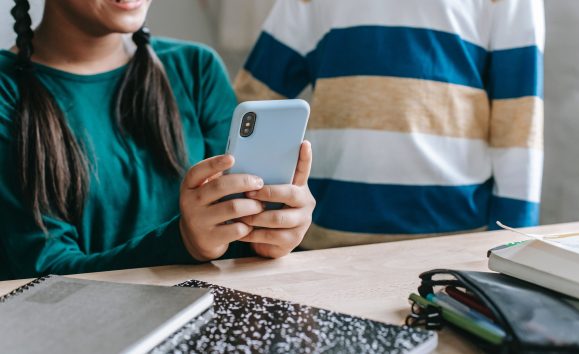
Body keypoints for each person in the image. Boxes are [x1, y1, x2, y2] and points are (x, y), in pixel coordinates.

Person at [0, 0, 315, 281]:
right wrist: (182, 242)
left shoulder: (196, 68)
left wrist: (265, 235)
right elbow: (43, 274)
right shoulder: (7, 90)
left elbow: (234, 239)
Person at [235, 0, 545, 249]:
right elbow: (251, 104)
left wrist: (513, 247)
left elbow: (518, 124)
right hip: (326, 242)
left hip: (453, 244)